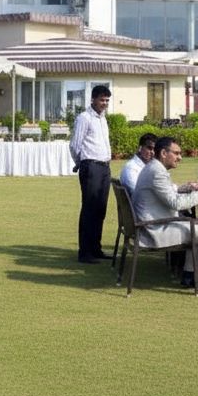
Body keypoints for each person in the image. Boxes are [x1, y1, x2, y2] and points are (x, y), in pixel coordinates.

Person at [130, 137, 198, 297]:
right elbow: (176, 203)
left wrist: (187, 189)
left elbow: (169, 194)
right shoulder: (157, 172)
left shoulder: (153, 168)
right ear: (163, 153)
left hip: (149, 225)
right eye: (176, 153)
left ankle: (189, 275)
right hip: (154, 231)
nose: (180, 157)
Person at [70, 85, 112, 263]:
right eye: (102, 100)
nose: (104, 103)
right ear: (93, 99)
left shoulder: (103, 119)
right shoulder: (84, 118)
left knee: (100, 209)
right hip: (91, 166)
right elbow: (75, 144)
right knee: (89, 208)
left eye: (107, 100)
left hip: (104, 167)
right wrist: (81, 163)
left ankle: (96, 248)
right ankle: (85, 252)